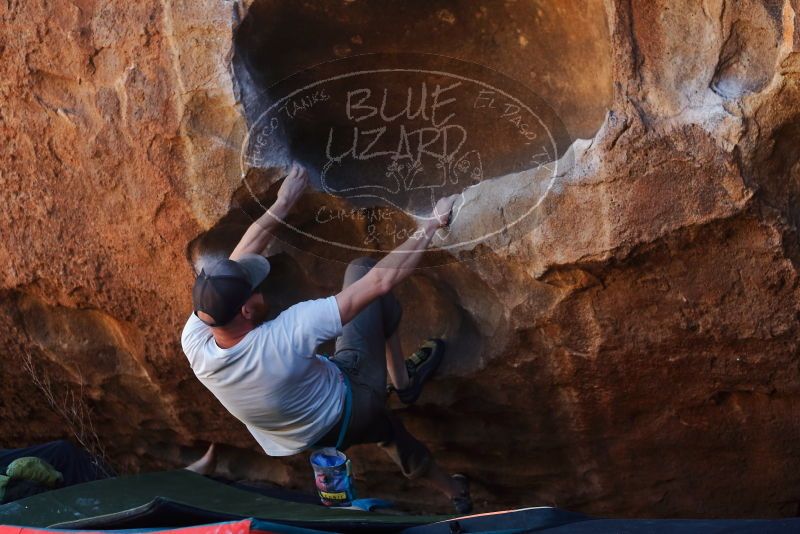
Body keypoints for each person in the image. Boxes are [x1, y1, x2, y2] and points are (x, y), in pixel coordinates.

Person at [181, 163, 472, 513]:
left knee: (385, 428)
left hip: (303, 437)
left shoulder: (197, 336)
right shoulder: (287, 334)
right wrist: (431, 224)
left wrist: (283, 201)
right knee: (362, 270)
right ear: (244, 310)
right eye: (253, 289)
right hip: (351, 400)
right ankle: (403, 381)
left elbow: (238, 259)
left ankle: (454, 490)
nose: (259, 287)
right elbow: (378, 283)